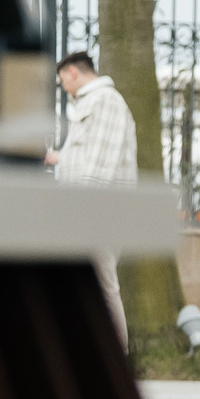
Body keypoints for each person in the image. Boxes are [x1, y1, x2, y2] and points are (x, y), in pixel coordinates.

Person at [42, 51, 138, 342]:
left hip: (99, 210)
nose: (63, 87)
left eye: (62, 81)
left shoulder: (105, 101)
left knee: (102, 284)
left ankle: (117, 358)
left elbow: (100, 163)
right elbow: (84, 155)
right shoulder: (90, 103)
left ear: (72, 72)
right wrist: (54, 157)